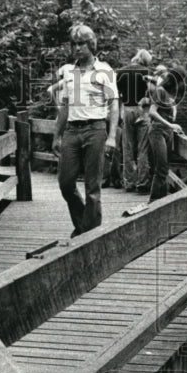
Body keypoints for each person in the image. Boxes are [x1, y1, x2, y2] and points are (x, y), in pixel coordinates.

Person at [48, 24, 119, 235]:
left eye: (82, 43)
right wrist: (56, 136)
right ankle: (83, 227)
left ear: (91, 44)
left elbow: (114, 104)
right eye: (74, 44)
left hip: (95, 130)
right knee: (65, 184)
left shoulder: (104, 70)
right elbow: (65, 107)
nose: (77, 48)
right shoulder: (70, 72)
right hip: (71, 131)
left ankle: (91, 236)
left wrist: (112, 136)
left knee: (93, 189)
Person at [115, 49, 154, 193]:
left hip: (127, 109)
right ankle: (142, 183)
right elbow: (152, 94)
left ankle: (129, 182)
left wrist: (119, 111)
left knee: (128, 147)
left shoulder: (121, 72)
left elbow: (117, 94)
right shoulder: (147, 72)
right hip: (143, 110)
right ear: (146, 60)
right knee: (143, 148)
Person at [144, 67, 184, 202]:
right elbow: (152, 112)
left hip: (168, 133)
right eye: (181, 81)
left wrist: (174, 127)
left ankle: (161, 201)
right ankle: (153, 202)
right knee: (160, 168)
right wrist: (170, 125)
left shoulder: (171, 96)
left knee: (164, 168)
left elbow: (170, 116)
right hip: (157, 131)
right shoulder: (160, 91)